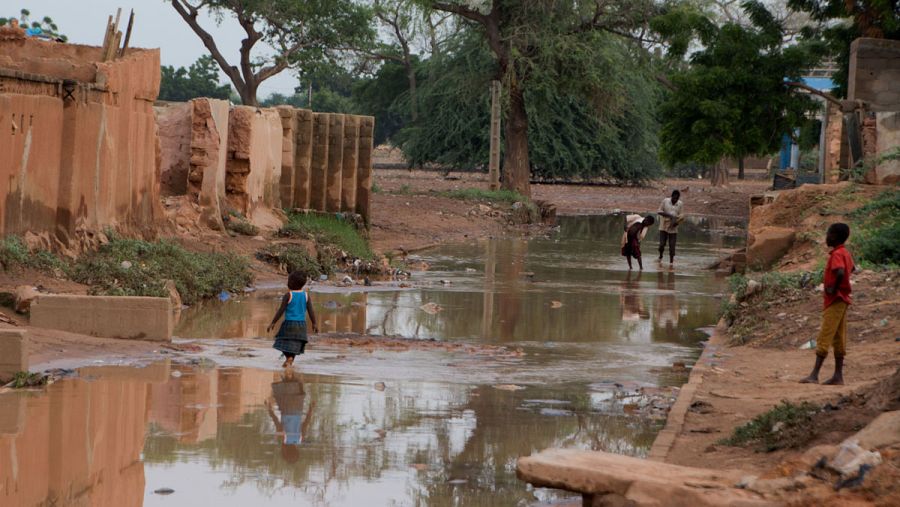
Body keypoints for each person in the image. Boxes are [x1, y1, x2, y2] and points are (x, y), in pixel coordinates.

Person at [800, 223, 854, 386]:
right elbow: (851, 268)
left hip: (835, 299)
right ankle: (838, 376)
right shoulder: (845, 253)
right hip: (843, 299)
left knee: (825, 334)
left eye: (829, 234)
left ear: (835, 237)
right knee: (838, 337)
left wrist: (833, 287)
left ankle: (814, 374)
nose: (826, 237)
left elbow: (840, 271)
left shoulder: (837, 254)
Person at [267, 271, 318, 368]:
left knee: (282, 341)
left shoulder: (288, 295)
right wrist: (314, 323)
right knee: (296, 344)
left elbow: (281, 310)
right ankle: (290, 359)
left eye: (288, 280)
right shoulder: (306, 295)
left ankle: (288, 358)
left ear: (291, 282)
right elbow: (311, 311)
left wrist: (273, 322)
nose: (287, 282)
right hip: (301, 325)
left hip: (289, 324)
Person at [266, 369, 315, 463]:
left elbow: (306, 422)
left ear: (296, 450)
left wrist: (311, 408)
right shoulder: (283, 438)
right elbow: (276, 422)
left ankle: (292, 370)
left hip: (298, 406)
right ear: (285, 451)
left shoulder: (300, 438)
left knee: (295, 385)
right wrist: (269, 409)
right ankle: (288, 369)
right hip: (286, 406)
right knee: (285, 385)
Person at [657, 190, 685, 264]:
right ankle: (660, 256)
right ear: (671, 196)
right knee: (661, 245)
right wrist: (670, 216)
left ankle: (671, 262)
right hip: (663, 226)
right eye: (674, 198)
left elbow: (682, 215)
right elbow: (659, 211)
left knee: (672, 246)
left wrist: (677, 222)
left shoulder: (680, 204)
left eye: (677, 199)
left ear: (678, 198)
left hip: (673, 228)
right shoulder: (665, 201)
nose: (675, 200)